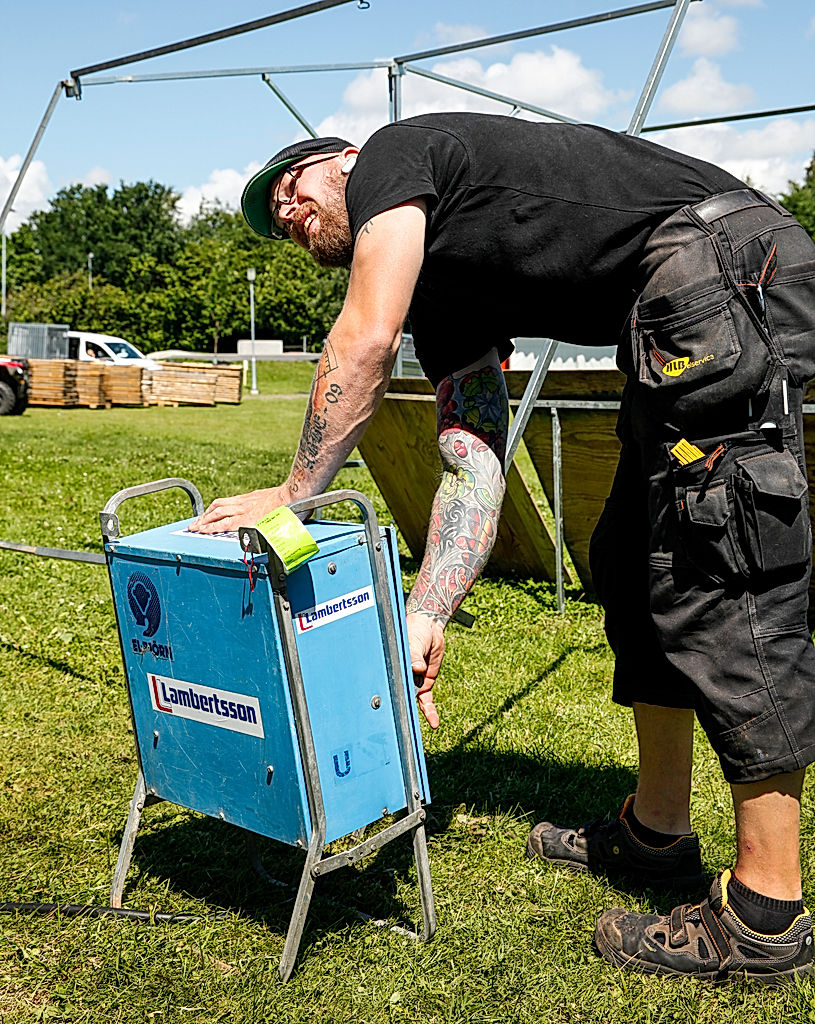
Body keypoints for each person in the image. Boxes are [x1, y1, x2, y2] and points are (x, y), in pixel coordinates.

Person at [189, 113, 815, 984]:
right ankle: (657, 833)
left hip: (720, 261)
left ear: (342, 163)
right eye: (271, 217)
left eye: (291, 185)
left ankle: (762, 915)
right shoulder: (446, 298)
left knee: (723, 559)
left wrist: (294, 492)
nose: (285, 212)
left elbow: (360, 339)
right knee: (634, 566)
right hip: (670, 304)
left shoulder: (396, 154)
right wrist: (427, 609)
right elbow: (472, 458)